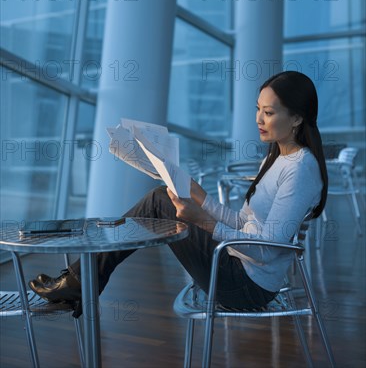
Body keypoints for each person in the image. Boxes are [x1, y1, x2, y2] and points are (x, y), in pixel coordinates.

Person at [29, 70, 328, 315]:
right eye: (257, 110)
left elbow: (268, 249)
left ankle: (81, 280)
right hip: (236, 266)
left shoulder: (300, 169)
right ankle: (83, 279)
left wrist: (204, 221)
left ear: (298, 118)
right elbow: (244, 223)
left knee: (160, 199)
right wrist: (200, 196)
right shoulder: (275, 158)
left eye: (269, 112)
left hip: (247, 286)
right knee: (162, 195)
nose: (258, 120)